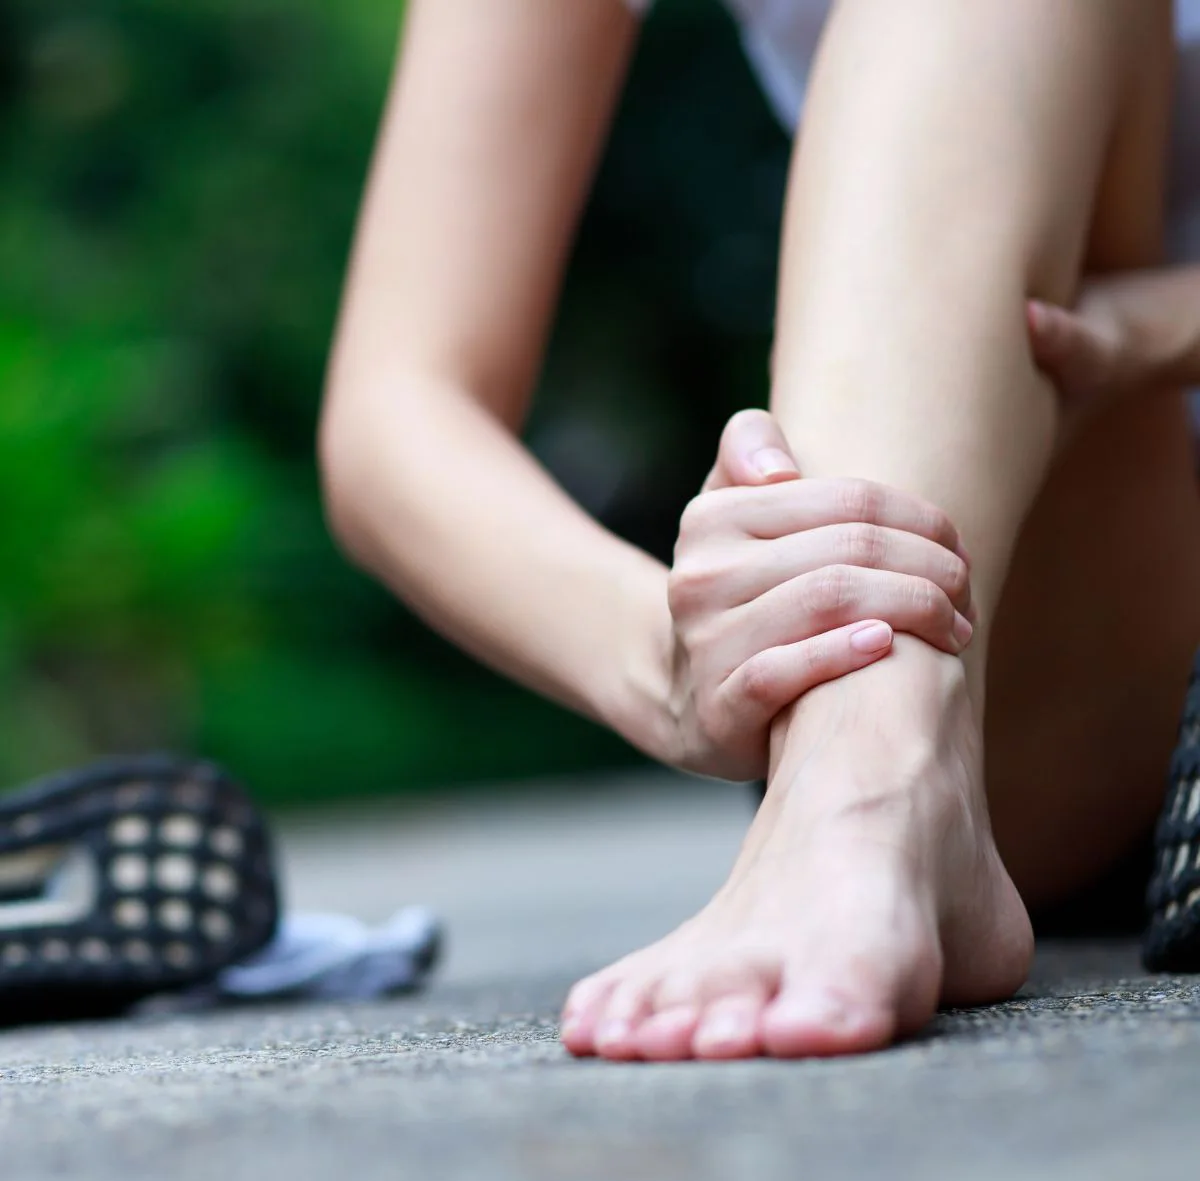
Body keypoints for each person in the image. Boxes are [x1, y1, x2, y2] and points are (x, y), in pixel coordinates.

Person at [318, 0, 1200, 1061]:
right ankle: (870, 759)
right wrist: (671, 655)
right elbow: (398, 404)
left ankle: (866, 785)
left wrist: (1151, 329)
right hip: (1075, 649)